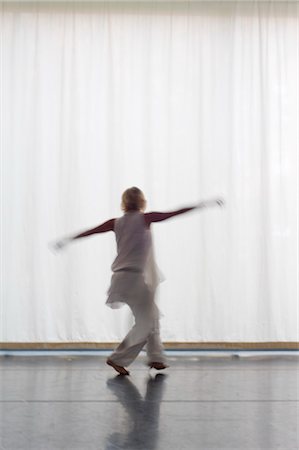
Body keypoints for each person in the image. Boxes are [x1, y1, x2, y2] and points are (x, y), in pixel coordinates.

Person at [54, 187, 224, 375]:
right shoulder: (145, 219)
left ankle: (156, 358)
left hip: (120, 278)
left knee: (151, 317)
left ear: (124, 203)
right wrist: (203, 204)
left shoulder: (116, 222)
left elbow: (91, 231)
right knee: (146, 322)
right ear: (142, 202)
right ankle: (118, 358)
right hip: (135, 278)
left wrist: (67, 240)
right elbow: (174, 213)